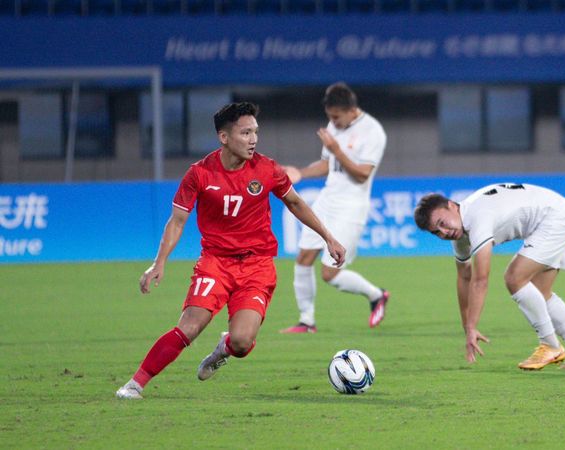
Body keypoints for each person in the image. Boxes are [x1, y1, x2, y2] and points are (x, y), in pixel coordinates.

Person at [116, 102, 345, 399]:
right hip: (215, 263)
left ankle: (223, 349)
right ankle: (135, 384)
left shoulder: (267, 169)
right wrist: (158, 263)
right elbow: (177, 221)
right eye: (245, 132)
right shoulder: (199, 174)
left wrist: (328, 237)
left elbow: (296, 203)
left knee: (241, 342)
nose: (253, 139)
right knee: (190, 326)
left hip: (257, 266)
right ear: (224, 138)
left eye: (255, 132)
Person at [414, 183, 565, 370]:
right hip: (557, 215)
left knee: (514, 277)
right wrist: (467, 327)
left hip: (556, 218)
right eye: (436, 232)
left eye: (442, 223)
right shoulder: (460, 233)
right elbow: (464, 278)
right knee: (540, 293)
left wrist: (472, 326)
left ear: (452, 206)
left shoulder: (477, 217)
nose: (444, 232)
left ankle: (550, 345)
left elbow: (480, 280)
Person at [279, 82, 389, 334]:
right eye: (329, 117)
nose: (333, 122)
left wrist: (337, 150)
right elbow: (327, 164)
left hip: (351, 207)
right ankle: (307, 322)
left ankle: (377, 295)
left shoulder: (373, 132)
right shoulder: (334, 125)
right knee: (303, 258)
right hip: (327, 200)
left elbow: (362, 174)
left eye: (336, 117)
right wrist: (301, 172)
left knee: (330, 273)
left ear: (351, 110)